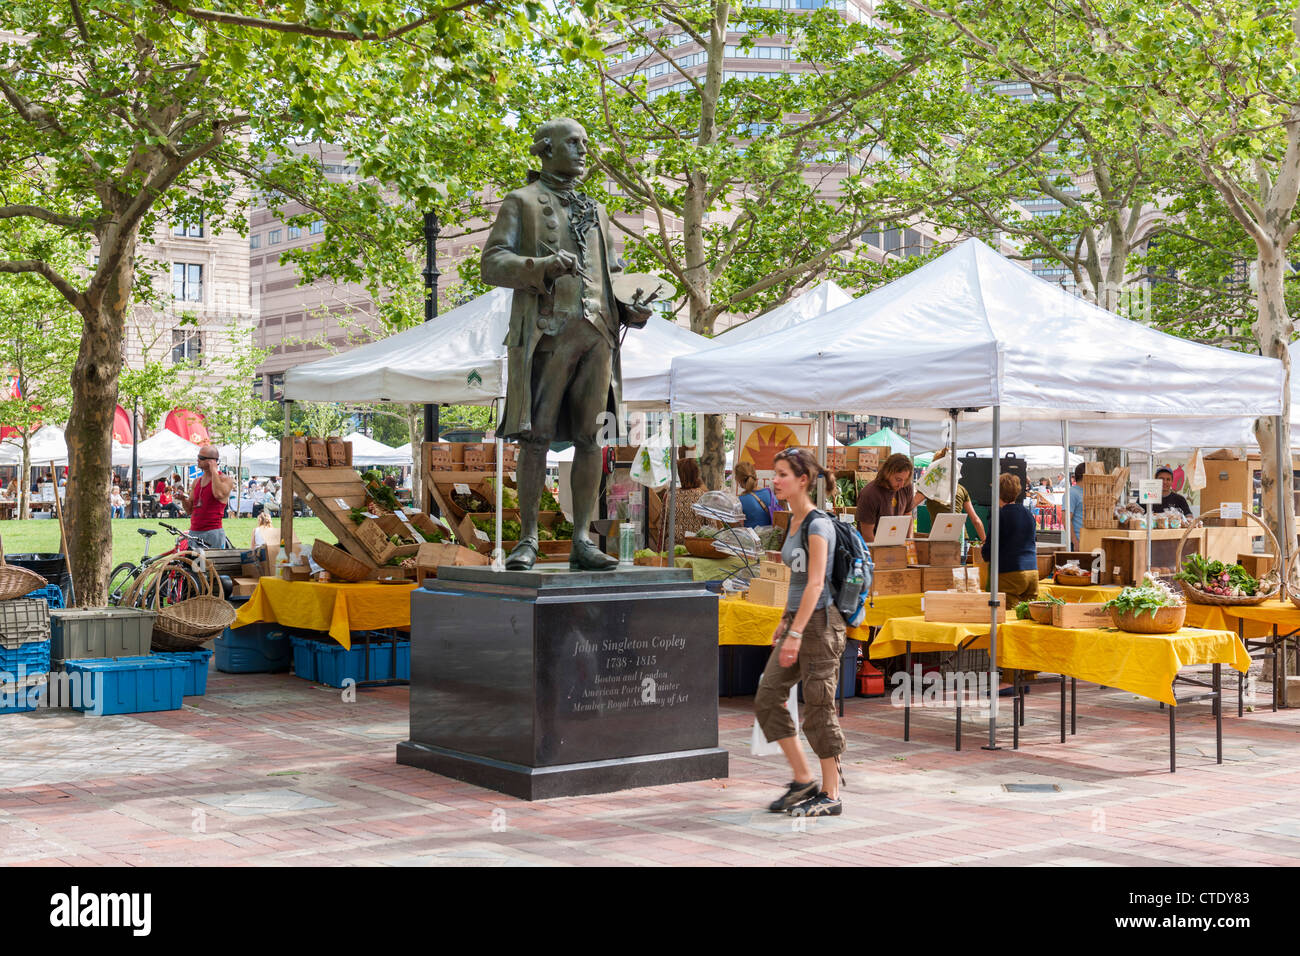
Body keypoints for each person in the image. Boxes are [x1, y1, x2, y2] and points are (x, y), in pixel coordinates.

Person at [481, 116, 653, 572]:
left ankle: (582, 538)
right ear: (545, 149)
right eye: (573, 143)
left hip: (598, 334)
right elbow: (493, 263)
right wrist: (540, 266)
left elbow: (612, 272)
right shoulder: (522, 202)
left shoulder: (595, 209)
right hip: (547, 332)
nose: (582, 151)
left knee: (591, 437)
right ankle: (528, 539)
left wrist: (630, 308)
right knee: (534, 437)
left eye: (584, 144)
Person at [753, 447, 845, 818]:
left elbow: (817, 582)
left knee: (819, 707)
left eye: (782, 474)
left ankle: (831, 793)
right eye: (774, 474)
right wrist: (785, 619)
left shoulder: (818, 524)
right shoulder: (791, 522)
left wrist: (796, 632)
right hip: (799, 620)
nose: (775, 480)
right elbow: (798, 579)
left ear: (802, 480)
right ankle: (803, 777)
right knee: (767, 694)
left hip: (820, 624)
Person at [981, 473, 1039, 605]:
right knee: (1029, 617)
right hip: (1032, 571)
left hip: (1010, 573)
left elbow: (989, 550)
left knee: (1009, 617)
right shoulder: (1028, 514)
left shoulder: (999, 515)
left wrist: (983, 550)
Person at [180, 445, 234, 549]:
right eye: (198, 457)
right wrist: (183, 499)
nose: (198, 460)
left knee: (211, 565)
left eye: (201, 458)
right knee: (193, 565)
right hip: (194, 531)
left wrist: (214, 470)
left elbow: (218, 494)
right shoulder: (196, 482)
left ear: (213, 461)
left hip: (213, 532)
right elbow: (189, 510)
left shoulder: (225, 480)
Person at [855, 452, 916, 543]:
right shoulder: (869, 494)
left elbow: (908, 515)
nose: (901, 485)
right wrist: (882, 553)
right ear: (887, 473)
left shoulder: (906, 486)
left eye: (905, 480)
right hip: (873, 548)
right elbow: (867, 535)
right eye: (898, 479)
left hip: (897, 544)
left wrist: (909, 542)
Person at [921, 481, 986, 546]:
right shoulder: (961, 489)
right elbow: (976, 520)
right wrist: (985, 542)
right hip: (960, 538)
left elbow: (912, 504)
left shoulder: (931, 487)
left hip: (940, 538)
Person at [671, 458, 709, 545]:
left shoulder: (670, 496)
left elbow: (662, 526)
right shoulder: (703, 496)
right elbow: (711, 527)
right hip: (697, 547)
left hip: (674, 549)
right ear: (696, 474)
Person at [734, 460, 779, 528]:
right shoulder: (769, 493)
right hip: (771, 536)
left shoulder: (740, 500)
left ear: (738, 480)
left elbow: (737, 527)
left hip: (752, 537)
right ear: (754, 474)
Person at [1067, 462, 1085, 549]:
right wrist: (1075, 542)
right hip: (1078, 542)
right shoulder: (1072, 493)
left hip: (1090, 541)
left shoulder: (1090, 492)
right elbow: (1066, 519)